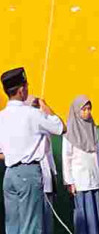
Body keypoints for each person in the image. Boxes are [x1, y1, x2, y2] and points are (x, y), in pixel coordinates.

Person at [0, 67, 65, 234]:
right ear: (22, 90)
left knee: (13, 227)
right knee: (31, 226)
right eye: (26, 86)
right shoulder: (32, 114)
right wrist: (45, 106)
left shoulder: (2, 116)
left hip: (9, 174)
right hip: (28, 172)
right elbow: (61, 128)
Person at [62, 95, 99, 234]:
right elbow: (66, 158)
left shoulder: (92, 128)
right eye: (84, 109)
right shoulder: (69, 132)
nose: (87, 112)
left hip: (95, 178)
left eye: (89, 109)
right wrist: (69, 181)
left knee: (96, 213)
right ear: (76, 111)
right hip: (79, 181)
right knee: (84, 215)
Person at [25, 95, 58, 234]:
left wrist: (54, 174)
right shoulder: (24, 130)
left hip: (47, 181)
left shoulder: (44, 128)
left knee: (47, 223)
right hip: (32, 183)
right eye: (34, 107)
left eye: (38, 107)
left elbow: (58, 127)